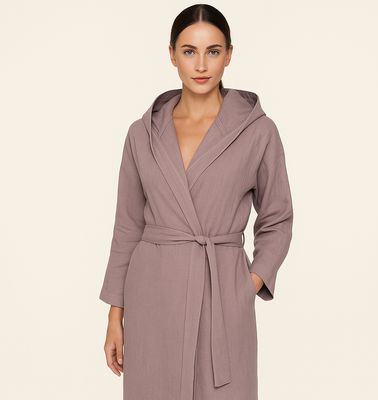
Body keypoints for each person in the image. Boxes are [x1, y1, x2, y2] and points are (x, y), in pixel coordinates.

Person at [99, 4, 293, 400]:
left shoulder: (258, 131)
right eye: (189, 51)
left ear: (229, 55)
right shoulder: (142, 134)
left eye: (213, 51)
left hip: (221, 295)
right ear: (172, 54)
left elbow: (277, 218)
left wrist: (247, 284)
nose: (201, 65)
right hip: (153, 296)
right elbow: (127, 226)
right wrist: (115, 313)